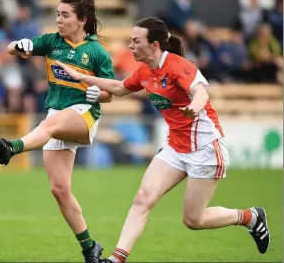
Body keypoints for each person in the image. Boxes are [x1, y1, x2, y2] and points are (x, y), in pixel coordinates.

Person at [55, 17, 270, 262]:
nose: (131, 46)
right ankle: (116, 259)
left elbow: (200, 92)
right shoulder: (146, 71)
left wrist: (195, 107)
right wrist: (81, 76)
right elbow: (118, 87)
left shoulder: (178, 66)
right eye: (130, 41)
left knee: (194, 220)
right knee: (143, 198)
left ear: (155, 45)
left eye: (136, 41)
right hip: (175, 147)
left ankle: (250, 217)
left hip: (205, 149)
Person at [0, 0, 114, 262]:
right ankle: (91, 249)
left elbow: (110, 92)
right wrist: (16, 45)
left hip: (83, 115)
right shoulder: (51, 41)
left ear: (82, 20)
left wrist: (97, 94)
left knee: (49, 124)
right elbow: (10, 49)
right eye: (57, 14)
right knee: (59, 190)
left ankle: (12, 147)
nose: (59, 19)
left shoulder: (98, 52)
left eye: (65, 15)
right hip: (56, 117)